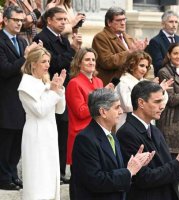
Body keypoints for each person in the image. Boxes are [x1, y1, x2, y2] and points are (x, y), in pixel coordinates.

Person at [117, 80, 179, 200]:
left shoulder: (155, 130)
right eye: (157, 102)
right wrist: (178, 163)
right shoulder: (126, 134)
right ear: (141, 102)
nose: (162, 106)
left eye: (162, 101)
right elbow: (143, 178)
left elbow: (167, 167)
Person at [71, 88, 153, 200]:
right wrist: (128, 171)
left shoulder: (112, 135)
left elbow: (114, 169)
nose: (121, 111)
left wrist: (137, 166)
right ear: (103, 112)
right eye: (117, 107)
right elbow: (95, 180)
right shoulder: (85, 139)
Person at [33, 6, 82, 184]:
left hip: (63, 90)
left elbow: (69, 65)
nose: (63, 22)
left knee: (62, 132)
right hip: (49, 89)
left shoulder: (62, 39)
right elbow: (53, 65)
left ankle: (60, 171)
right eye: (60, 19)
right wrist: (72, 50)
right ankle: (54, 171)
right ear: (49, 20)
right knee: (54, 131)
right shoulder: (41, 38)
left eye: (65, 19)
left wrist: (74, 50)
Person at [0, 5, 40, 190]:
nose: (18, 23)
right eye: (15, 20)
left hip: (22, 99)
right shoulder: (0, 41)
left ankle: (12, 174)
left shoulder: (23, 42)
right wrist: (25, 57)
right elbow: (5, 70)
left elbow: (27, 70)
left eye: (21, 20)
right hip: (5, 99)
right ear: (5, 20)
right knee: (5, 139)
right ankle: (3, 177)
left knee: (17, 139)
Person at [18, 47, 66, 200]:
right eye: (43, 62)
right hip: (36, 134)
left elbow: (59, 110)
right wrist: (52, 91)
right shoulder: (26, 85)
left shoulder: (45, 82)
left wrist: (59, 90)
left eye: (48, 62)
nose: (47, 65)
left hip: (50, 132)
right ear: (33, 63)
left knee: (50, 175)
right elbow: (39, 110)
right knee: (38, 177)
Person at [66, 47, 108, 166]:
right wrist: (101, 100)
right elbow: (81, 112)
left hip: (98, 131)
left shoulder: (98, 81)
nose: (91, 62)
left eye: (93, 60)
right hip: (81, 133)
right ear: (79, 63)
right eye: (87, 60)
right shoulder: (74, 83)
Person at [115, 50, 172, 130]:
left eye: (146, 67)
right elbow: (128, 105)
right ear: (132, 65)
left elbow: (161, 104)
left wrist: (160, 91)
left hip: (147, 125)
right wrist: (149, 93)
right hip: (129, 125)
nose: (144, 70)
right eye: (141, 66)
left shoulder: (146, 82)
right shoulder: (123, 83)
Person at [92, 6, 148, 86]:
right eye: (118, 20)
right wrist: (130, 52)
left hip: (130, 82)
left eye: (124, 19)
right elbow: (107, 62)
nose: (123, 23)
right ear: (109, 22)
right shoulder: (100, 37)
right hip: (112, 84)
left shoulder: (129, 37)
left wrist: (140, 52)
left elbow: (134, 63)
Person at [147, 10, 179, 76]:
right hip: (164, 79)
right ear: (163, 23)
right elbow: (158, 65)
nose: (174, 25)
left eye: (176, 22)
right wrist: (176, 61)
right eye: (171, 22)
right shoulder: (155, 41)